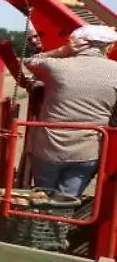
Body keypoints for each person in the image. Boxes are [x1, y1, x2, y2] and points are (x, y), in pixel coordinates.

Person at [22, 25, 117, 197]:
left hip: (48, 150)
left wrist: (62, 51)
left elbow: (30, 62)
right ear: (108, 47)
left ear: (78, 44)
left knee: (43, 199)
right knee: (66, 203)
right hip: (87, 153)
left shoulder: (56, 67)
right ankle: (61, 219)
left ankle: (42, 219)